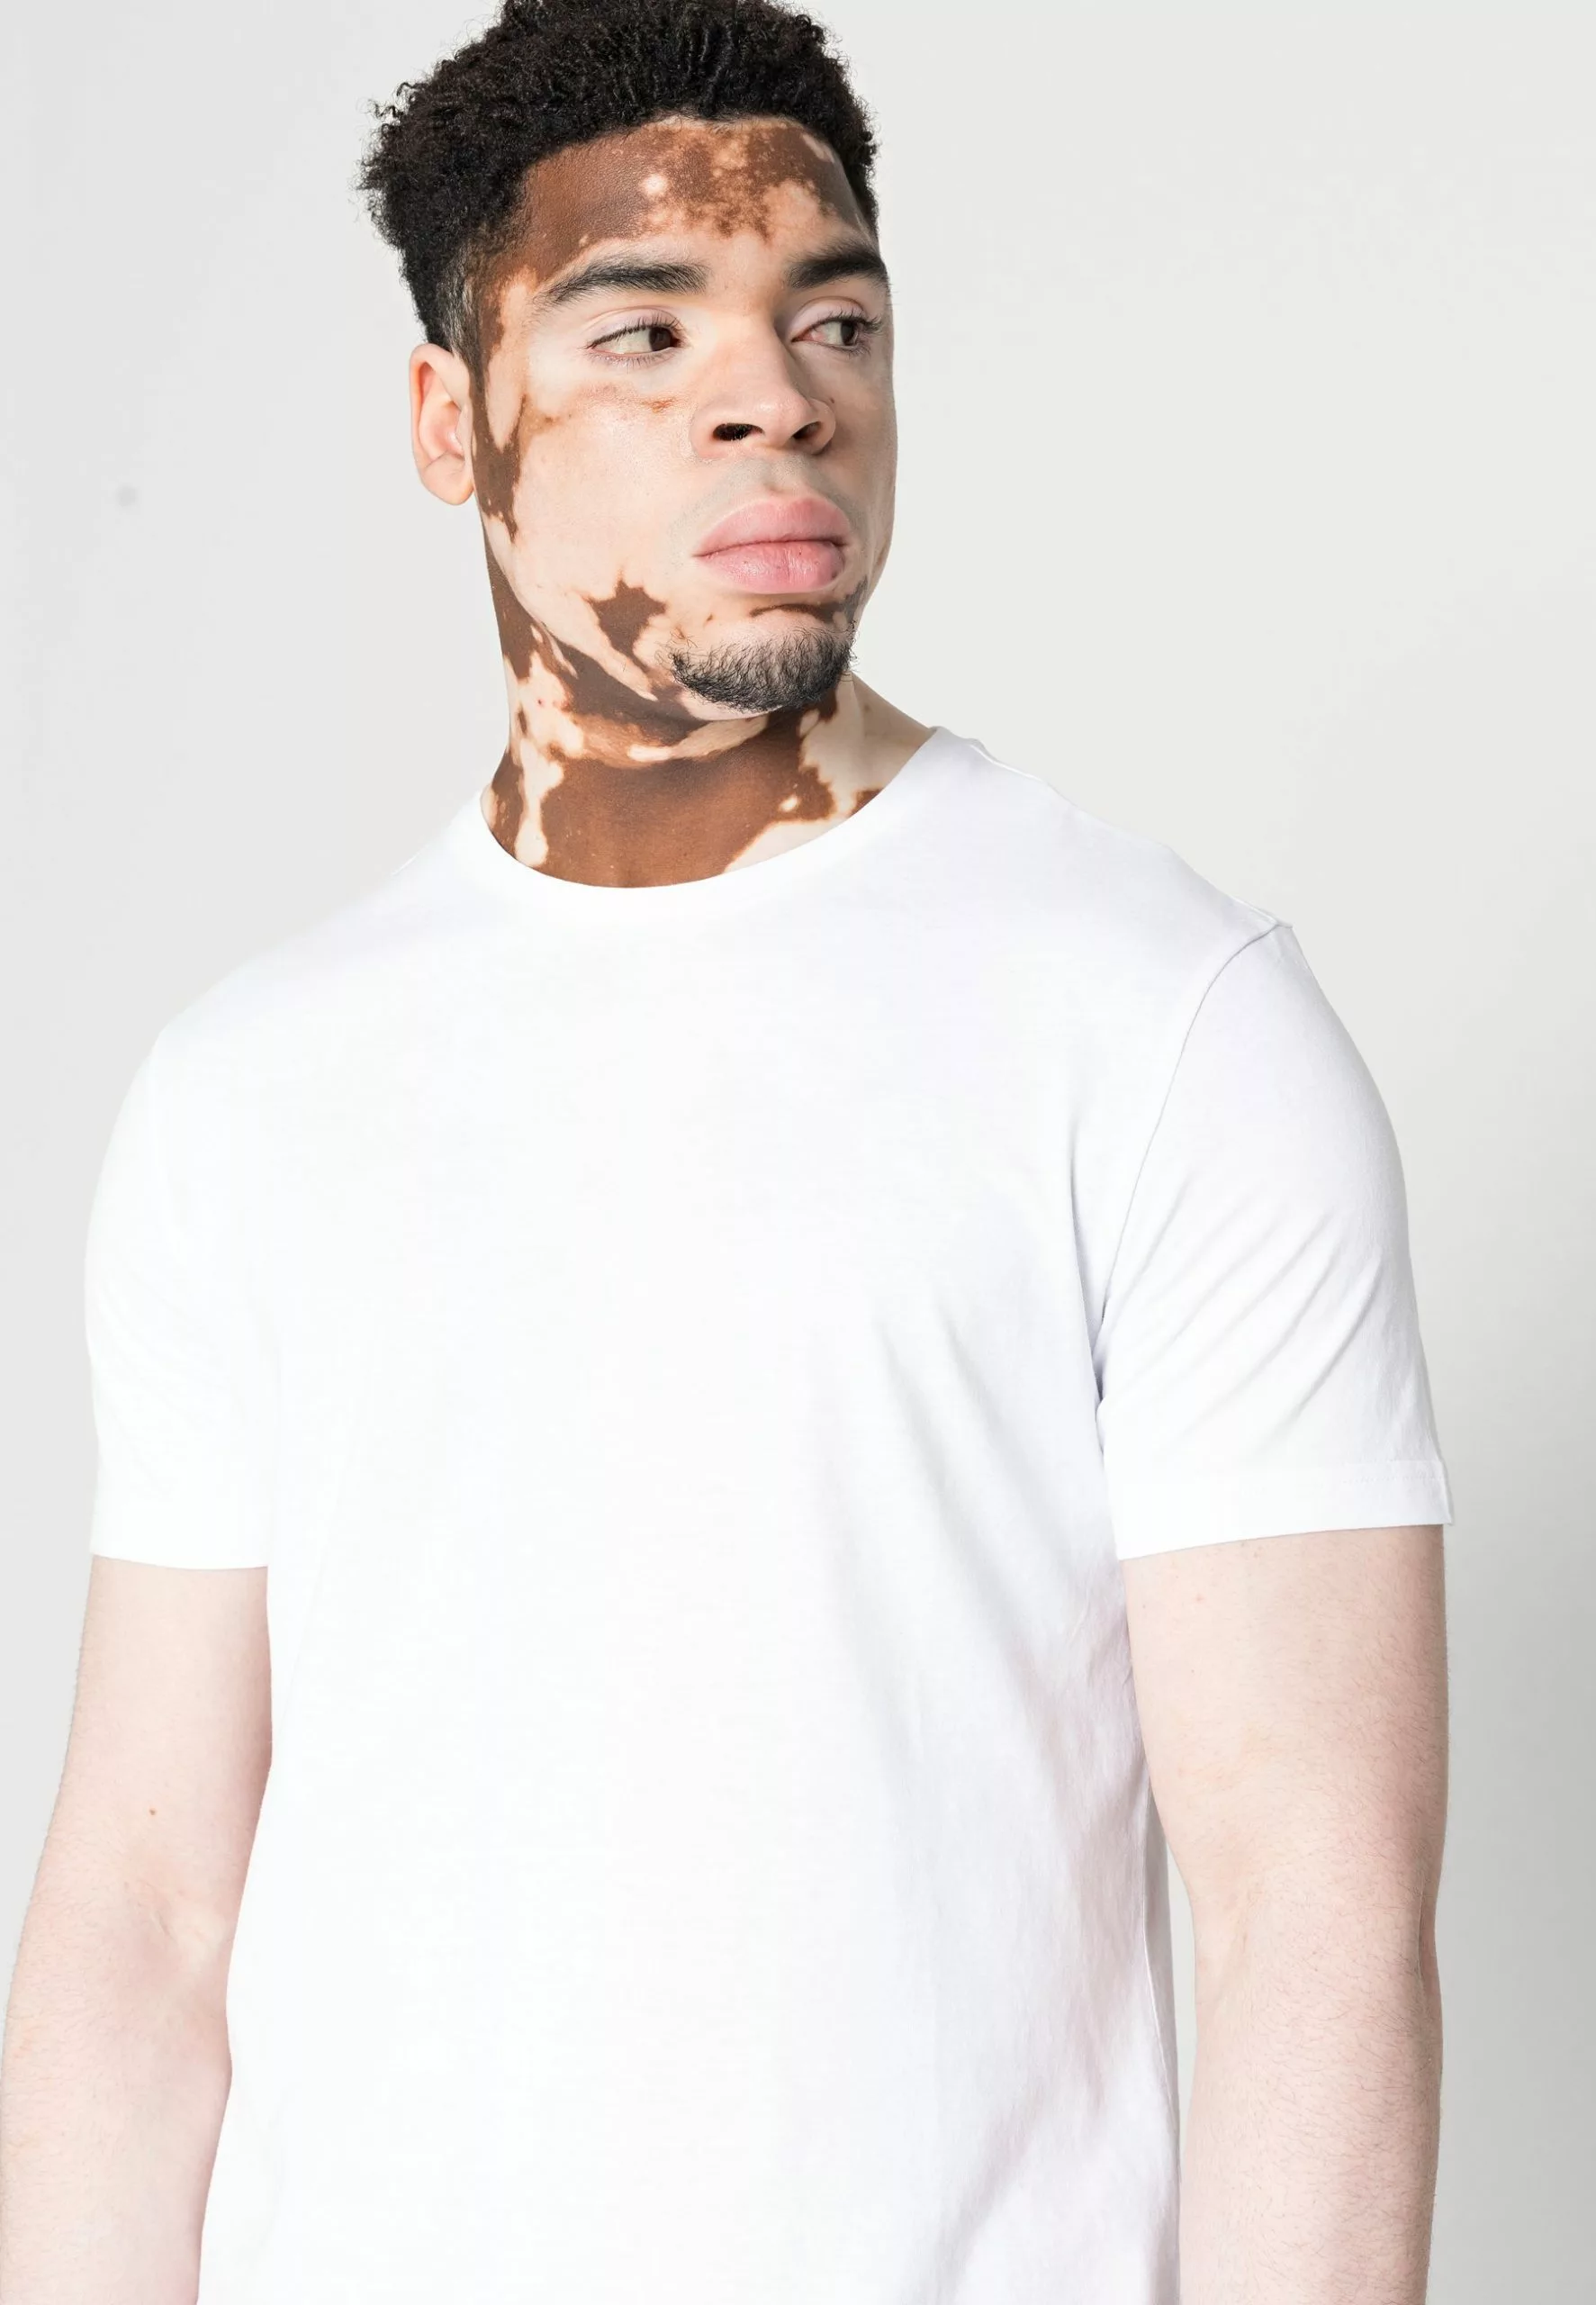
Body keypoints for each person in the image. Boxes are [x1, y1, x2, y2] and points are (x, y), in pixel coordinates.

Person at [0, 1, 1455, 2299]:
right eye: (646, 328)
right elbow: (146, 1918)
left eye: (833, 319)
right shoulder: (245, 1091)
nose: (776, 394)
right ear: (449, 419)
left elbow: (1315, 1910)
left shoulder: (1166, 1015)